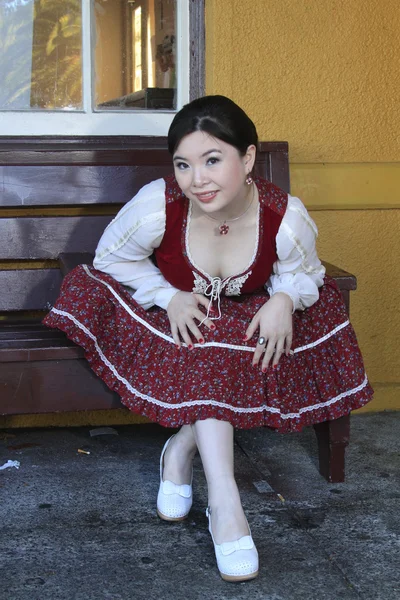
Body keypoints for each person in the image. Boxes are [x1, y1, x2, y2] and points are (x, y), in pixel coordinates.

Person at [44, 95, 373, 582]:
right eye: (184, 164)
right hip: (176, 324)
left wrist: (283, 299)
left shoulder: (284, 216)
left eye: (212, 160)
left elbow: (305, 272)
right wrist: (165, 293)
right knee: (205, 344)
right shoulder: (158, 207)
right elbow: (110, 259)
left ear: (248, 159)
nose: (196, 179)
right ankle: (226, 504)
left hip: (242, 331)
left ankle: (180, 447)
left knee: (253, 331)